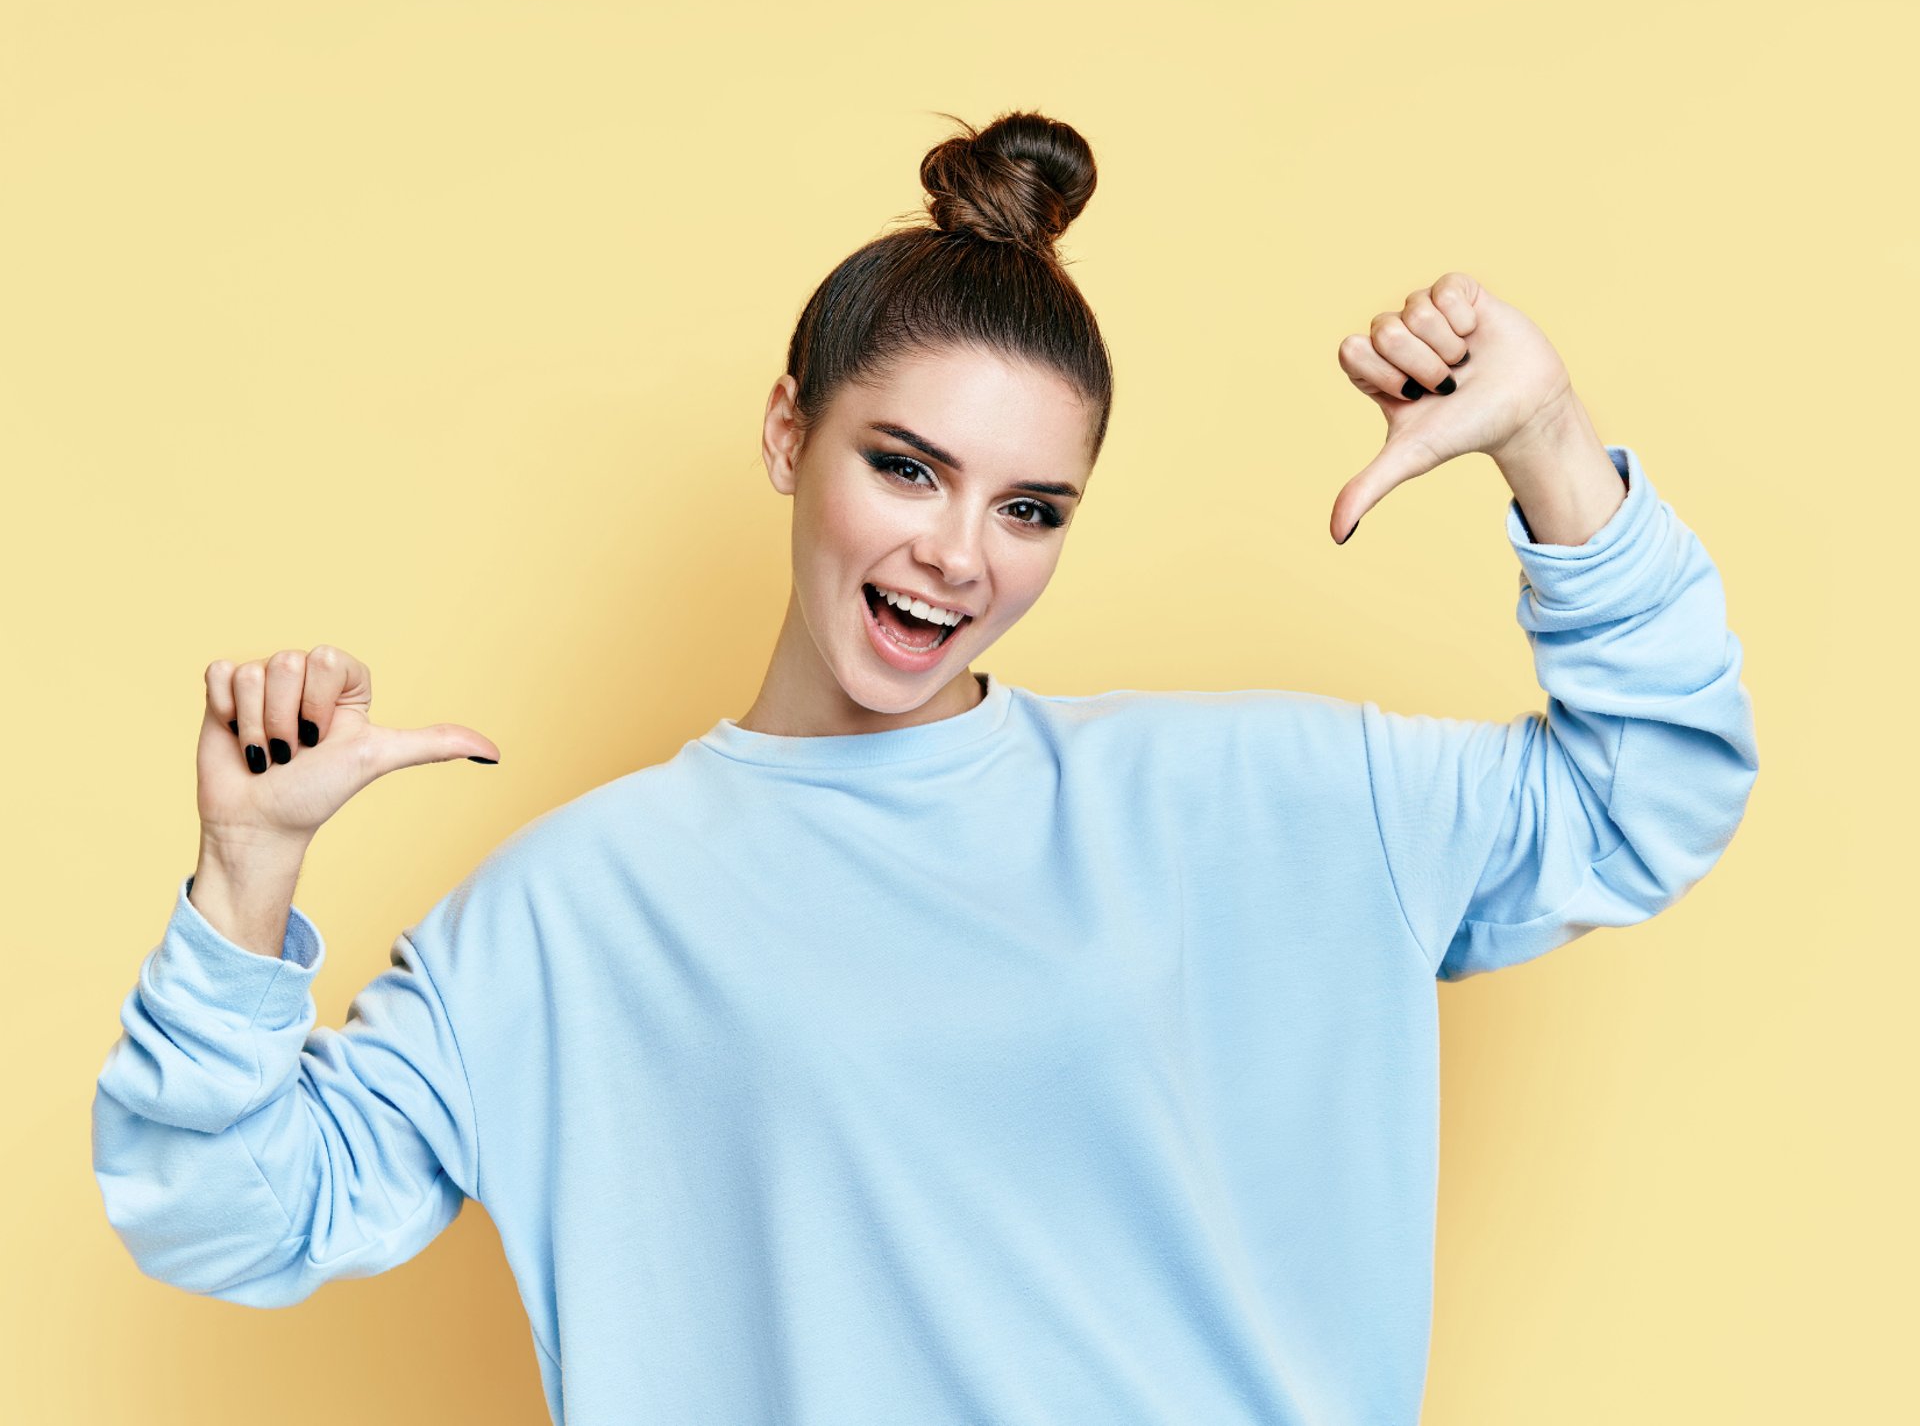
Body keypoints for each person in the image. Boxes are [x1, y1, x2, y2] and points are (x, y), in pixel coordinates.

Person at [91, 108, 1759, 1425]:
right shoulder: (564, 918)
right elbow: (227, 1217)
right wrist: (245, 879)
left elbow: (1649, 795)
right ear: (785, 435)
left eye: (1031, 509)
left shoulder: (1250, 797)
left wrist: (1546, 442)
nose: (960, 556)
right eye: (906, 467)